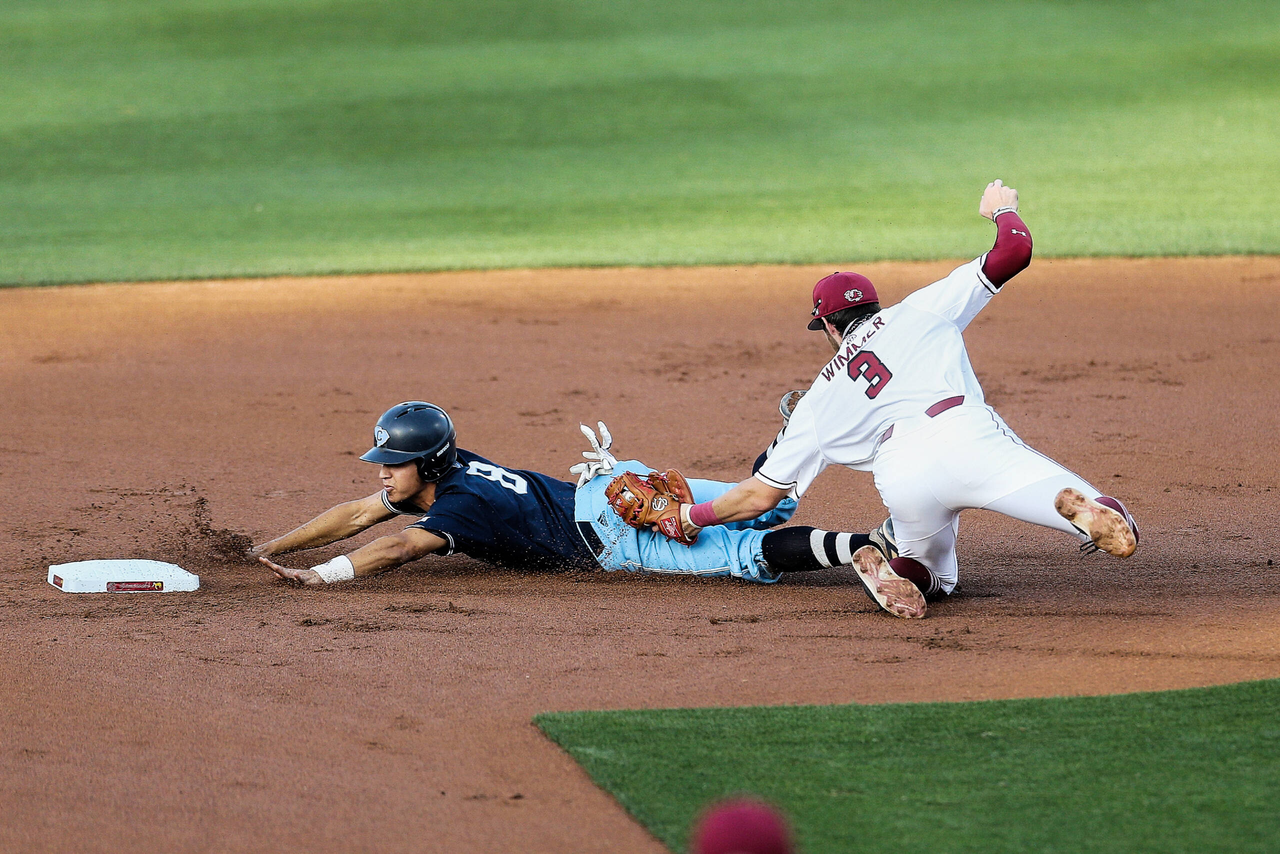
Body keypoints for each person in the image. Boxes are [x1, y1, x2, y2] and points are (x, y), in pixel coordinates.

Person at [667, 180, 1139, 619]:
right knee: (1111, 521)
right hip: (966, 439)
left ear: (829, 327)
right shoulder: (918, 310)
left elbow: (759, 495)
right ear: (871, 305)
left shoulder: (817, 399)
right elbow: (1015, 250)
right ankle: (1087, 511)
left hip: (901, 475)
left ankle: (904, 570)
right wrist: (1002, 209)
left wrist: (692, 517)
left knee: (933, 573)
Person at [253, 401, 896, 594]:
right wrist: (266, 548)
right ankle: (799, 434)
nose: (383, 475)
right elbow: (360, 513)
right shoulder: (455, 469)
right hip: (617, 483)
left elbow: (394, 547)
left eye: (393, 464)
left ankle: (872, 546)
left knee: (748, 554)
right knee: (767, 499)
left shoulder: (458, 507)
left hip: (616, 533)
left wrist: (319, 575)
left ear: (426, 465)